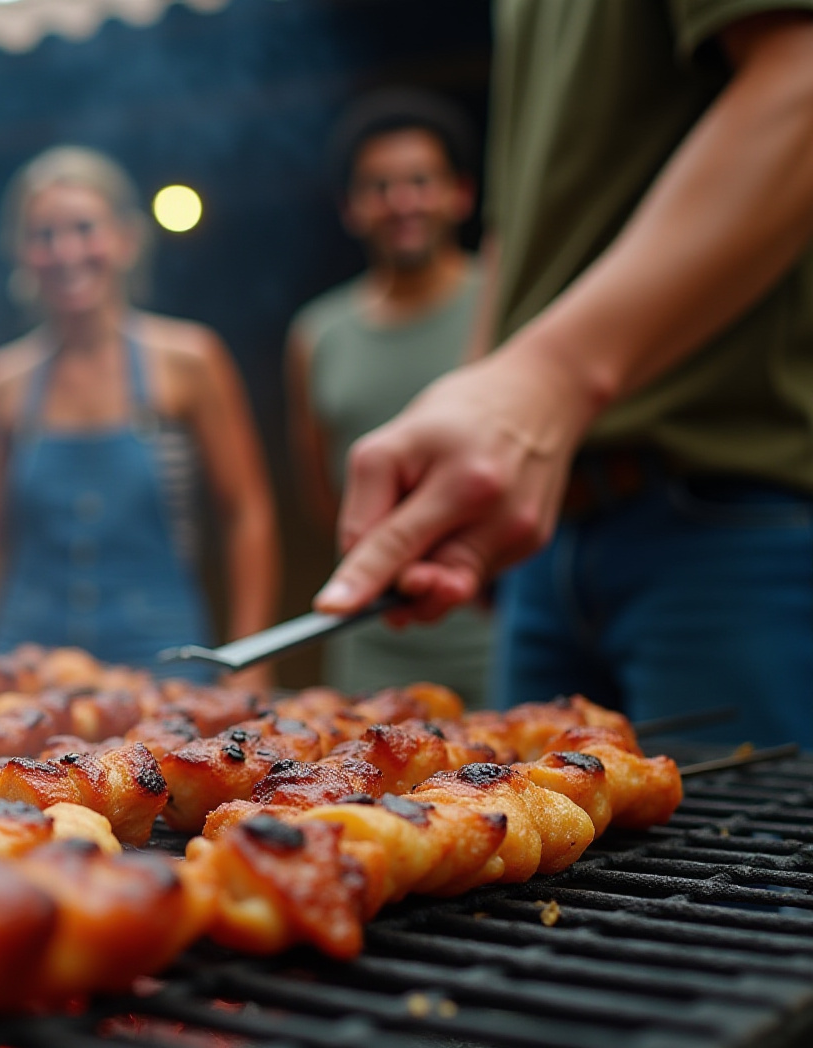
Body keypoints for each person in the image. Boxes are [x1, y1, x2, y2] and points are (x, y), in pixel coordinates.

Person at [315, 6, 813, 746]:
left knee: (742, 859)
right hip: (546, 549)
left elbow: (798, 80)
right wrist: (479, 404)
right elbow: (519, 237)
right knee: (535, 842)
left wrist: (553, 376)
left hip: (723, 514)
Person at [0, 147, 278, 683]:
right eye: (44, 236)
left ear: (126, 238)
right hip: (29, 665)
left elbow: (246, 513)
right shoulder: (0, 383)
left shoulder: (189, 360)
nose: (66, 252)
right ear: (22, 254)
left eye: (84, 229)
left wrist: (249, 659)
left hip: (162, 658)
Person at [287, 90, 490, 705]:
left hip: (495, 631)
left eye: (420, 181)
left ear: (461, 193)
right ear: (351, 208)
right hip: (368, 638)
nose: (401, 202)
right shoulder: (317, 333)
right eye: (379, 187)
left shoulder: (504, 303)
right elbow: (324, 490)